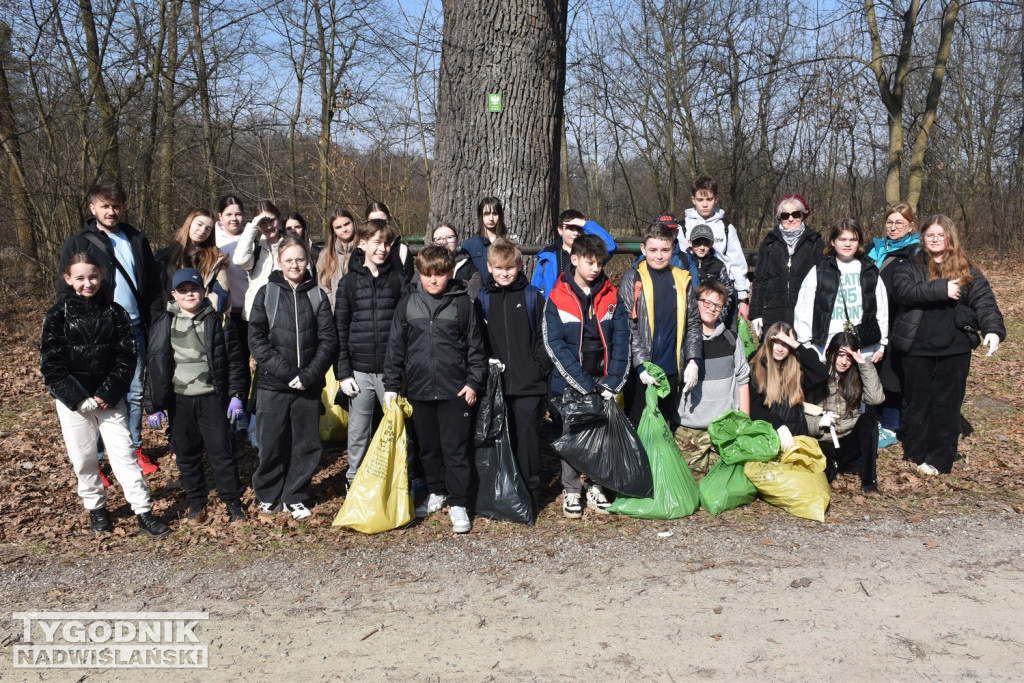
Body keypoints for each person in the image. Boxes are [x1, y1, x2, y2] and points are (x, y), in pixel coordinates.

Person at [41, 253, 170, 538]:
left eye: (93, 277)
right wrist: (77, 398)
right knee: (84, 458)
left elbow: (127, 358)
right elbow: (51, 365)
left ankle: (143, 510)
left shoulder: (115, 312)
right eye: (80, 278)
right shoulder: (56, 315)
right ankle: (96, 507)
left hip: (110, 401)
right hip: (73, 404)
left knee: (124, 454)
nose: (88, 283)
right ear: (68, 280)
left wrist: (107, 393)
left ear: (101, 277)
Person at [56, 181, 163, 475]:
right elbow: (65, 293)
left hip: (135, 328)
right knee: (99, 393)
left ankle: (133, 448)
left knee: (135, 392)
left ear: (123, 207)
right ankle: (100, 458)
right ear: (93, 209)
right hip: (97, 332)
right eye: (105, 206)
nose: (111, 211)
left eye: (116, 206)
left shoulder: (137, 239)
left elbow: (152, 288)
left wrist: (155, 325)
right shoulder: (79, 243)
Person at [383, 246, 486, 534]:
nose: (433, 280)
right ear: (420, 273)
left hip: (455, 391)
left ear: (450, 273)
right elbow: (395, 348)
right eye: (428, 275)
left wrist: (473, 382)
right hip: (418, 390)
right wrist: (392, 385)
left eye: (439, 275)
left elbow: (476, 348)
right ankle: (436, 491)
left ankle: (458, 503)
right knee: (428, 449)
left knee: (456, 450)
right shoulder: (408, 303)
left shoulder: (463, 304)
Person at [890, 215, 1004, 475]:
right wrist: (941, 289)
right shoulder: (910, 263)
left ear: (949, 237)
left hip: (955, 348)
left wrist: (993, 330)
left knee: (947, 403)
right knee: (918, 402)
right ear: (923, 237)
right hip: (917, 348)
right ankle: (917, 452)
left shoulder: (967, 268)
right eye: (930, 235)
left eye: (940, 235)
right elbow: (903, 291)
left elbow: (984, 301)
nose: (935, 239)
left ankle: (940, 458)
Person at [145, 268, 248, 522]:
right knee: (187, 455)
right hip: (180, 401)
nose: (189, 294)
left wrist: (237, 395)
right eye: (183, 291)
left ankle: (233, 503)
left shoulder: (219, 321)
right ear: (174, 295)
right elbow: (155, 364)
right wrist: (153, 404)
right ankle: (196, 502)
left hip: (213, 398)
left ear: (204, 292)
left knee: (222, 453)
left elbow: (236, 362)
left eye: (194, 289)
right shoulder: (163, 322)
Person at [248, 235, 337, 519]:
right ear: (279, 262)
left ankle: (295, 495)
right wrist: (288, 374)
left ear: (307, 260)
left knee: (306, 445)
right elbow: (257, 341)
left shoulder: (318, 295)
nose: (295, 264)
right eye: (289, 260)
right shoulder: (267, 293)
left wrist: (309, 375)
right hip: (273, 385)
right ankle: (268, 495)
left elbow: (328, 341)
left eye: (300, 259)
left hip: (308, 386)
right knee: (271, 443)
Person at [543, 234, 630, 518]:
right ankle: (571, 490)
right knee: (572, 434)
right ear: (575, 260)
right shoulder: (557, 297)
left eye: (600, 263)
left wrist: (614, 380)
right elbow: (554, 345)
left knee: (600, 435)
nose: (595, 268)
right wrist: (581, 383)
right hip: (571, 380)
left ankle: (596, 485)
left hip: (603, 378)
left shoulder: (611, 295)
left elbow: (622, 339)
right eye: (590, 262)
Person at [334, 218, 409, 488]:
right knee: (358, 430)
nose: (383, 248)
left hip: (392, 371)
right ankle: (354, 480)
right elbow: (339, 329)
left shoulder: (399, 280)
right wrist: (343, 373)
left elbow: (405, 328)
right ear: (362, 243)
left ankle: (397, 481)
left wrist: (399, 371)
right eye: (377, 242)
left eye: (387, 243)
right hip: (360, 371)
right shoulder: (349, 283)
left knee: (396, 429)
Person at [477, 238, 551, 498]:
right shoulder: (483, 300)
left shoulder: (532, 297)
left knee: (527, 435)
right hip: (496, 384)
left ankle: (529, 489)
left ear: (520, 266)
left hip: (528, 382)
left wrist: (537, 368)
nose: (504, 273)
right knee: (499, 437)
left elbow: (545, 337)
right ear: (489, 267)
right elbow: (478, 340)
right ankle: (503, 488)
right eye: (498, 268)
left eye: (509, 267)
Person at [619, 222, 702, 429]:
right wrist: (640, 364)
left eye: (665, 250)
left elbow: (693, 321)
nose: (659, 255)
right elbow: (627, 324)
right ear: (643, 249)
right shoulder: (633, 278)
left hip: (671, 368)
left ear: (673, 248)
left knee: (663, 424)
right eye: (653, 250)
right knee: (638, 425)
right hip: (641, 371)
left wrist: (693, 360)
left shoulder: (683, 280)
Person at [677, 281, 751, 474]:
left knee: (726, 481)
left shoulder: (731, 340)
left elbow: (743, 379)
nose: (711, 308)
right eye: (706, 302)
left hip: (724, 426)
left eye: (717, 305)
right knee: (691, 485)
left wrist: (744, 420)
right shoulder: (683, 340)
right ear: (695, 302)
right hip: (690, 428)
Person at [793, 217, 888, 362]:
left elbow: (881, 308)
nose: (847, 244)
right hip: (826, 345)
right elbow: (803, 308)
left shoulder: (869, 270)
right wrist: (805, 343)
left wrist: (881, 344)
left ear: (859, 242)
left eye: (853, 239)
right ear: (832, 241)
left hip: (863, 346)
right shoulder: (819, 270)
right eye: (842, 239)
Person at [866, 202, 919, 448]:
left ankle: (891, 425)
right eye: (890, 222)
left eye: (900, 222)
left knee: (891, 375)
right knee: (869, 371)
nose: (893, 226)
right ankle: (871, 419)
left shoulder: (915, 253)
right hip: (869, 320)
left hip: (897, 320)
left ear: (911, 226)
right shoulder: (874, 249)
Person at [809, 333, 884, 494]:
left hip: (849, 440)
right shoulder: (817, 375)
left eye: (849, 357)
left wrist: (863, 363)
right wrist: (818, 423)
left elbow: (876, 399)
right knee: (826, 475)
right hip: (825, 440)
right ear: (830, 352)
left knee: (869, 419)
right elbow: (801, 410)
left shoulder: (856, 374)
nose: (844, 362)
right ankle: (834, 466)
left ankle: (869, 480)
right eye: (840, 355)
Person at [749, 194, 825, 338]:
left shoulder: (815, 242)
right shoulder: (770, 242)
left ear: (802, 215)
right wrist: (756, 313)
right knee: (773, 355)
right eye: (785, 215)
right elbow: (760, 279)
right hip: (773, 311)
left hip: (805, 312)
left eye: (795, 214)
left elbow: (823, 282)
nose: (790, 219)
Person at [747, 321, 827, 449]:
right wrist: (779, 426)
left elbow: (821, 374)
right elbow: (754, 407)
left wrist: (797, 345)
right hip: (768, 438)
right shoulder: (756, 369)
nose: (779, 349)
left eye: (785, 344)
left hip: (796, 437)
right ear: (768, 343)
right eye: (776, 343)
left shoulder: (797, 368)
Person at [682, 175, 751, 321]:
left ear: (716, 199)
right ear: (693, 200)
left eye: (709, 199)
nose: (705, 204)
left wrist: (743, 298)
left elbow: (737, 263)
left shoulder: (726, 228)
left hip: (722, 291)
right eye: (700, 200)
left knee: (723, 337)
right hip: (690, 293)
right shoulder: (682, 227)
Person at [532, 208, 617, 298]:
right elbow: (537, 290)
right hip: (556, 307)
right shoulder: (548, 255)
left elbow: (610, 246)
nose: (576, 233)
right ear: (560, 230)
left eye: (579, 229)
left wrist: (585, 224)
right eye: (571, 229)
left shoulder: (591, 252)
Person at [159, 209, 231, 312]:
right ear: (189, 223)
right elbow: (158, 292)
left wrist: (197, 313)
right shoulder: (164, 256)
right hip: (172, 318)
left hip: (204, 319)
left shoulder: (215, 259)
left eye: (208, 228)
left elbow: (221, 294)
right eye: (199, 224)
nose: (202, 231)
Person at [214, 196, 250, 388]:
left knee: (244, 363)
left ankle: (245, 409)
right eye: (228, 214)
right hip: (224, 312)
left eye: (238, 214)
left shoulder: (251, 238)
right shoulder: (213, 238)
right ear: (220, 216)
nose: (233, 218)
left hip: (248, 313)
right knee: (226, 363)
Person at [233, 200, 285, 322]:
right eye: (262, 223)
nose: (269, 226)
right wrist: (252, 227)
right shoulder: (255, 248)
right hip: (256, 316)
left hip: (283, 316)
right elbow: (239, 261)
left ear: (278, 217)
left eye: (272, 221)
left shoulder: (291, 246)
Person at [684, 223, 735, 324]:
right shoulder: (683, 262)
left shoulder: (718, 265)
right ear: (690, 243)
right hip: (687, 317)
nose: (702, 247)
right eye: (697, 243)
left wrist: (718, 318)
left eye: (706, 243)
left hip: (712, 317)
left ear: (711, 244)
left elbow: (727, 293)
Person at [317, 208, 357, 312]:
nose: (344, 229)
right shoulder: (326, 255)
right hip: (336, 311)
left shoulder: (364, 248)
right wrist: (332, 307)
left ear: (353, 222)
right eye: (338, 227)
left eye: (347, 224)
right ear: (333, 231)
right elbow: (323, 286)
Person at [427, 224, 482, 299]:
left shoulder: (469, 268)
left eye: (449, 237)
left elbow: (473, 297)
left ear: (457, 240)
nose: (444, 242)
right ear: (433, 242)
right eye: (439, 239)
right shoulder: (424, 267)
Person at [460, 196, 510, 276]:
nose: (491, 218)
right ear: (481, 216)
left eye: (495, 214)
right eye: (486, 214)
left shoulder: (508, 245)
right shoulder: (470, 245)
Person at [366, 200, 414, 276]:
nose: (379, 225)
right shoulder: (360, 249)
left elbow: (408, 278)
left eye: (382, 221)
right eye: (373, 222)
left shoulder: (401, 250)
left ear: (390, 220)